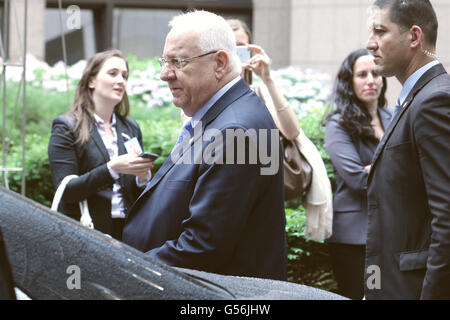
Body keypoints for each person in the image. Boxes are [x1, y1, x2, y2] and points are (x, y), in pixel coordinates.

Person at [122, 10, 287, 281]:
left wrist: (126, 266)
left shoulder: (236, 130)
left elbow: (203, 247)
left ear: (219, 63)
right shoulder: (222, 115)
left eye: (178, 61)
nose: (165, 74)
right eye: (165, 61)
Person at [365, 0, 450, 299]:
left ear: (414, 37)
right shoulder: (418, 97)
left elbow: (447, 218)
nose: (369, 43)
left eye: (379, 31)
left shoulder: (434, 101)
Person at [223, 19, 332, 241]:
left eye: (242, 48)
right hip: (226, 201)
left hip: (264, 203)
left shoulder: (261, 91)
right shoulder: (208, 95)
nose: (237, 55)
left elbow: (293, 132)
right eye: (230, 49)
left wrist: (268, 78)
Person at [48, 50, 154, 241]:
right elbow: (67, 191)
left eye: (124, 75)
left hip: (127, 232)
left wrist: (141, 178)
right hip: (86, 232)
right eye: (112, 73)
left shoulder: (130, 128)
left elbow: (137, 194)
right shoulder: (67, 127)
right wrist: (111, 169)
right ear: (91, 81)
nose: (121, 80)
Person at [323, 48, 391, 299]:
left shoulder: (393, 117)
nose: (371, 80)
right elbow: (358, 179)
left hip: (391, 231)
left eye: (375, 73)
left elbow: (414, 169)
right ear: (349, 82)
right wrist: (394, 170)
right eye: (362, 74)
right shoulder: (338, 124)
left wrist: (376, 169)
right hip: (353, 237)